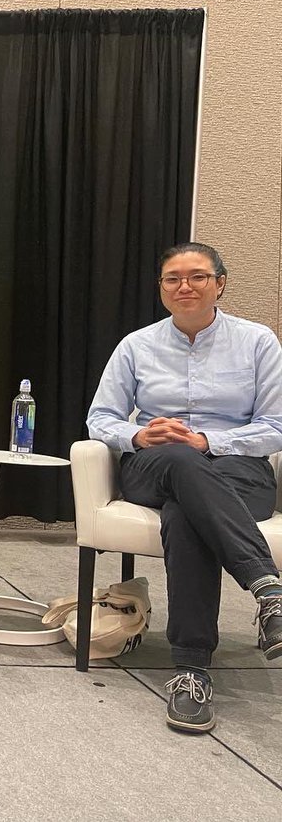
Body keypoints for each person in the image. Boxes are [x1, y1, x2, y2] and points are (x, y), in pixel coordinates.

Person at [87, 241, 282, 733]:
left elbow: (277, 426)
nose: (184, 287)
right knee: (175, 456)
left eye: (197, 276)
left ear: (220, 284)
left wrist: (208, 439)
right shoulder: (136, 345)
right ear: (161, 289)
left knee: (184, 511)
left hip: (237, 469)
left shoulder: (258, 342)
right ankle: (268, 588)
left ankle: (191, 671)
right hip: (154, 465)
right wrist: (137, 434)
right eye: (172, 279)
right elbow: (100, 419)